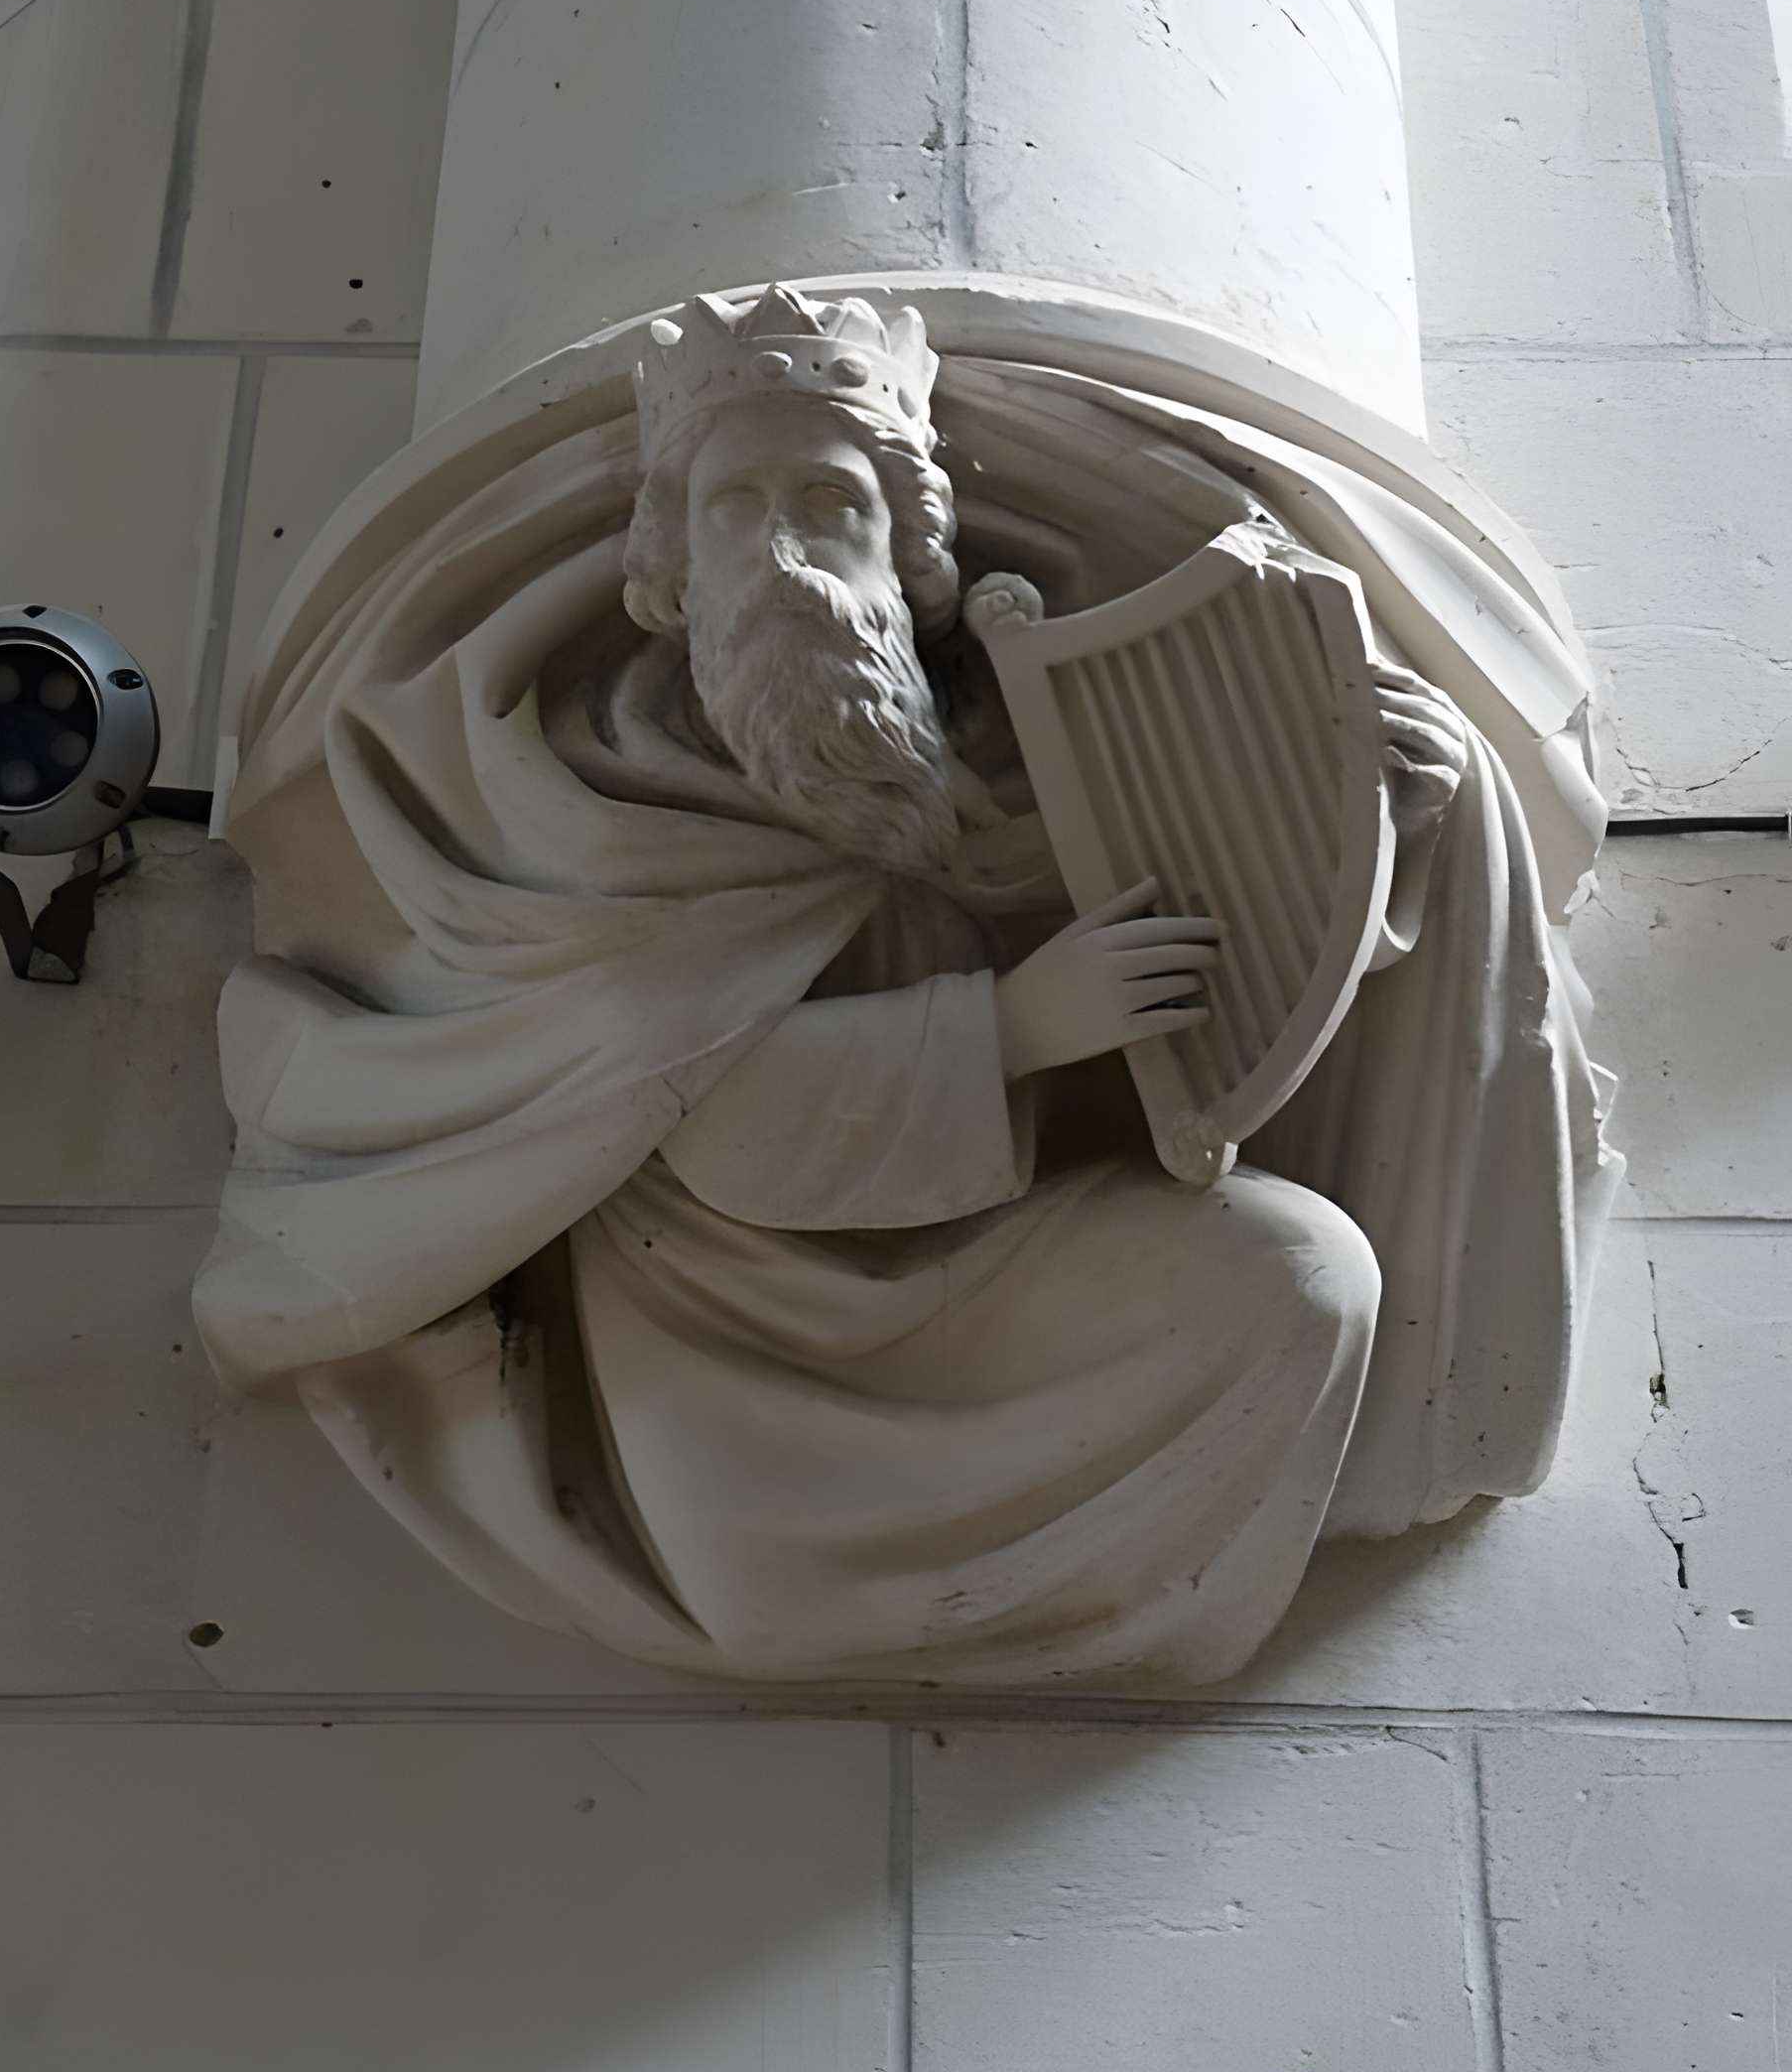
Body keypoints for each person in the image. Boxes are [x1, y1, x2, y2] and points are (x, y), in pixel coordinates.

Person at [196, 284, 1616, 1685]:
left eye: (830, 503)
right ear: (669, 567)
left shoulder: (1011, 776)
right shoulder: (588, 810)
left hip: (1009, 1259)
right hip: (735, 1345)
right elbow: (703, 1107)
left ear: (912, 554)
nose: (783, 551)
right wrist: (1010, 1030)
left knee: (1307, 1277)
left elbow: (1226, 963)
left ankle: (1128, 1601)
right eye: (733, 510)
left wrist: (1373, 825)